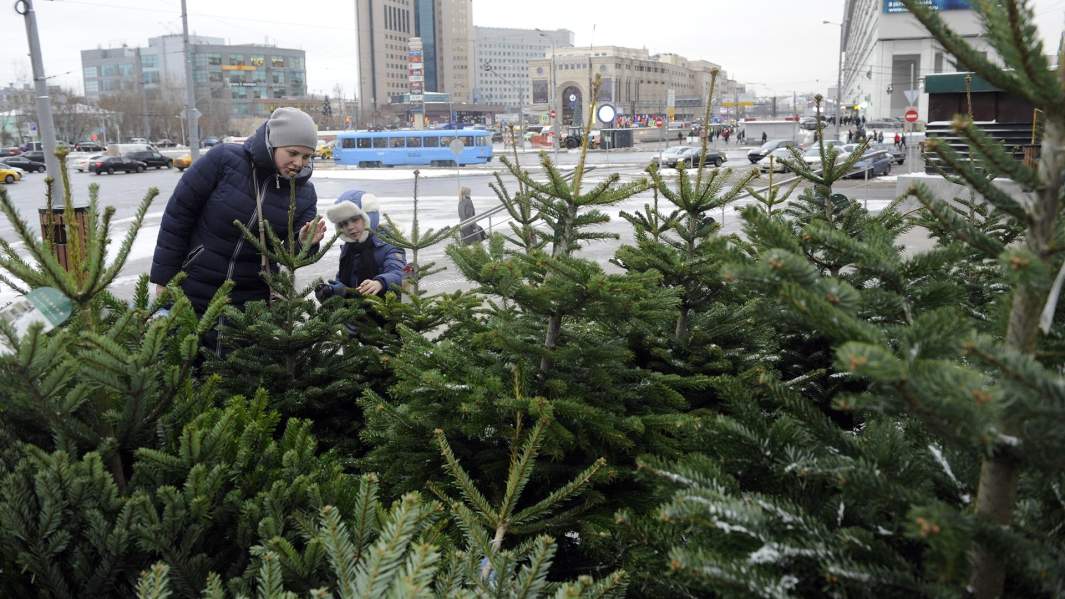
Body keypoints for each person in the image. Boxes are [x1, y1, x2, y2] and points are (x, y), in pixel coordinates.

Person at [150, 107, 326, 349]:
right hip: (195, 288)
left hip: (251, 302)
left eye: (307, 157)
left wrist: (306, 241)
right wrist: (164, 279)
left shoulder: (304, 193)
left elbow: (290, 255)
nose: (298, 163)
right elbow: (178, 216)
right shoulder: (224, 160)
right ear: (272, 144)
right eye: (292, 153)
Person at [317, 190, 406, 302]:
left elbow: (399, 273)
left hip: (385, 311)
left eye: (354, 220)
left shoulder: (389, 245)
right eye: (344, 224)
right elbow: (344, 277)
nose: (350, 227)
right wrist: (333, 290)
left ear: (368, 217)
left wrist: (380, 283)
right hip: (355, 310)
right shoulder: (348, 248)